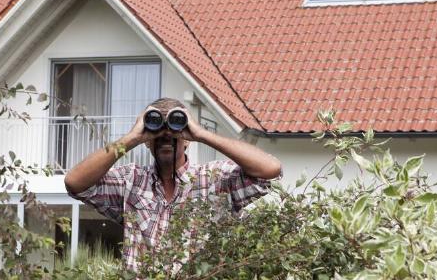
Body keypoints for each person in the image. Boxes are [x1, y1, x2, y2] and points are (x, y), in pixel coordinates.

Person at [64, 97, 282, 270]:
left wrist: (202, 134)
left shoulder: (216, 179)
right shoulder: (130, 181)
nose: (165, 136)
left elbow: (269, 171)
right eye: (156, 132)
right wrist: (132, 137)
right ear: (147, 142)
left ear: (186, 140)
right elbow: (75, 183)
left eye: (175, 130)